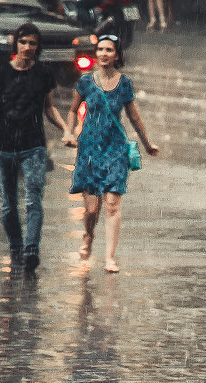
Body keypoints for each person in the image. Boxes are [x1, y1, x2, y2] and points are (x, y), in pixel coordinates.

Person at [61, 34, 159, 273]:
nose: (104, 54)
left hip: (115, 148)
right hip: (89, 150)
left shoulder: (124, 84)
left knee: (113, 204)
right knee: (92, 209)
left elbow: (134, 116)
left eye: (109, 50)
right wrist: (69, 132)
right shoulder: (85, 82)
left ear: (117, 55)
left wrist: (147, 143)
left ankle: (110, 257)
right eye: (101, 49)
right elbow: (73, 111)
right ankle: (88, 235)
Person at [0, 23, 69, 275]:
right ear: (15, 44)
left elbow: (49, 107)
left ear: (38, 46)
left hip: (34, 147)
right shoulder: (0, 74)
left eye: (32, 43)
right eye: (23, 42)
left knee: (33, 201)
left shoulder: (43, 73)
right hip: (5, 147)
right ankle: (16, 247)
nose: (28, 47)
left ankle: (31, 250)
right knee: (8, 205)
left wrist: (65, 128)